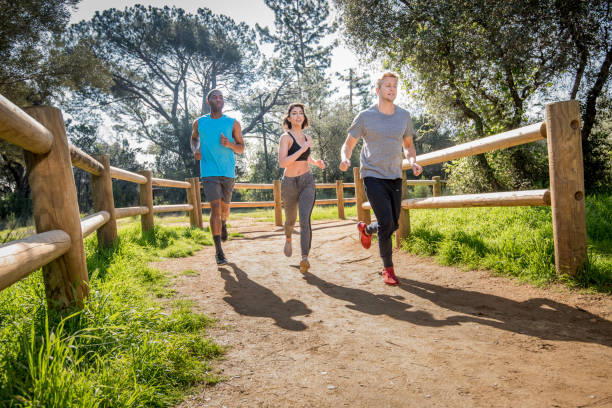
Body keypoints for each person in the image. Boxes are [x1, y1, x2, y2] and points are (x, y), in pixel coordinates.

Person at [339, 72, 423, 285]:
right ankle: (388, 269)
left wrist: (412, 161)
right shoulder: (365, 116)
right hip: (372, 175)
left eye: (394, 85)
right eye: (387, 85)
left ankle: (367, 229)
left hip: (394, 175)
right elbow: (348, 144)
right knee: (386, 222)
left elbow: (408, 145)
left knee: (393, 223)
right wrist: (345, 159)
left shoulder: (403, 116)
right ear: (377, 90)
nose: (391, 89)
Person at [191, 89, 245, 265]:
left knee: (225, 209)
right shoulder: (199, 123)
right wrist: (195, 150)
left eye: (221, 97)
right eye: (214, 97)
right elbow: (194, 139)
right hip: (208, 171)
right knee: (215, 208)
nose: (218, 99)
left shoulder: (233, 123)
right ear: (208, 101)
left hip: (227, 171)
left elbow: (241, 148)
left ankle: (224, 223)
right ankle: (219, 252)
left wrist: (229, 144)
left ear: (223, 102)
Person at [278, 103, 326, 274]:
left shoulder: (306, 138)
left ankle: (304, 258)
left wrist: (315, 162)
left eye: (301, 113)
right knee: (290, 220)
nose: (298, 116)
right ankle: (288, 238)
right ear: (289, 118)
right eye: (294, 113)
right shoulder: (286, 138)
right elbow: (283, 162)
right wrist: (304, 149)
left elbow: (305, 157)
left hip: (307, 181)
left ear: (304, 117)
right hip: (289, 183)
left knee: (305, 219)